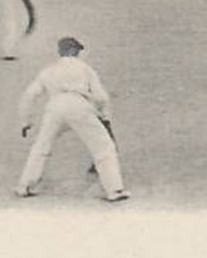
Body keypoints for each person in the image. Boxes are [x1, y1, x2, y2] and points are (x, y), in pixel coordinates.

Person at [12, 37, 128, 202]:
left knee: (41, 147)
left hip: (55, 107)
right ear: (76, 51)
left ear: (60, 51)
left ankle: (25, 186)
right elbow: (101, 97)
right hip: (79, 106)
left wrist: (25, 121)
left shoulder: (48, 70)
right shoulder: (85, 69)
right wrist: (105, 118)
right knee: (104, 147)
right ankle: (114, 189)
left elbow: (29, 95)